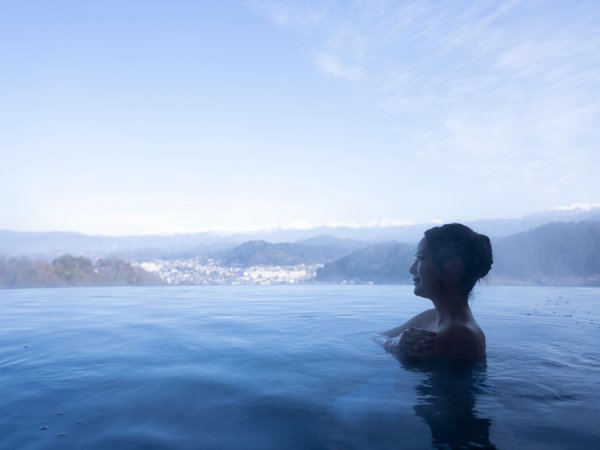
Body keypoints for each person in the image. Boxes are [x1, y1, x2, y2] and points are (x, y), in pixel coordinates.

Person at [382, 223, 493, 360]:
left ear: (453, 267)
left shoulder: (460, 335)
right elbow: (377, 337)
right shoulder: (431, 317)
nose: (412, 269)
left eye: (421, 258)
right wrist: (392, 342)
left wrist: (392, 344)